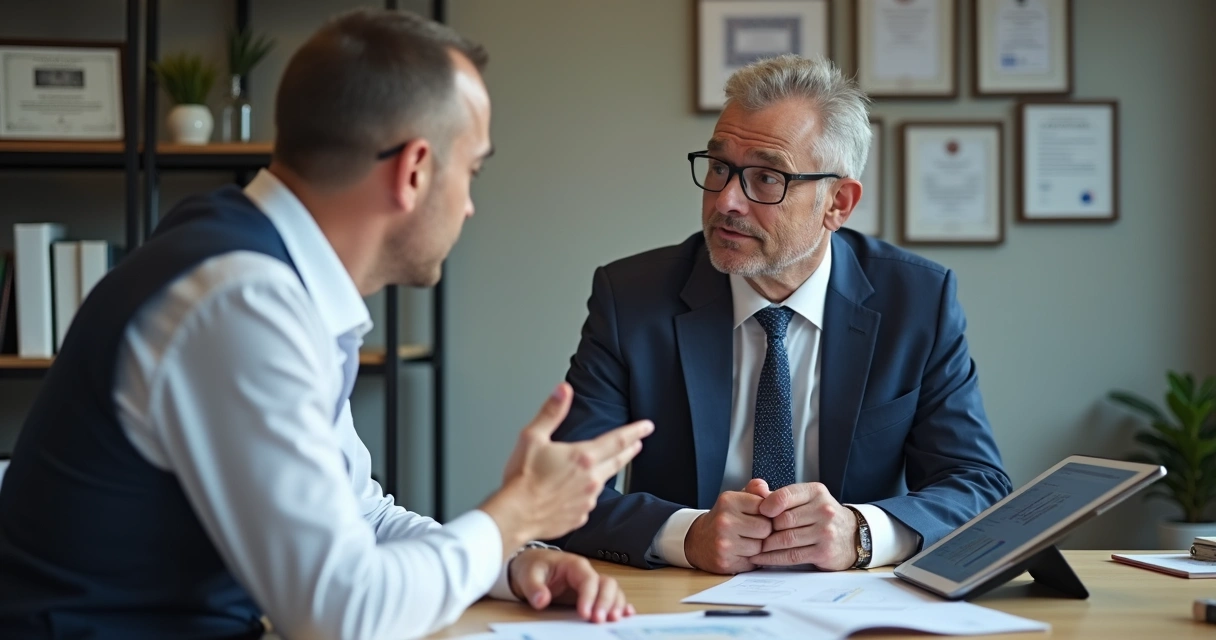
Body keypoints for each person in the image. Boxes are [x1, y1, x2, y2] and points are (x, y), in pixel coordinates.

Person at [0, 9, 652, 640]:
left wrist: (509, 563)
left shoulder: (259, 271)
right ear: (416, 170)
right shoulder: (241, 302)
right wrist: (515, 514)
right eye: (472, 170)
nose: (472, 206)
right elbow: (339, 615)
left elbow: (357, 514)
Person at [551, 55, 1012, 575]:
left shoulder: (916, 302)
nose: (726, 200)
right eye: (720, 167)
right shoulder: (633, 298)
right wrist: (686, 534)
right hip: (679, 601)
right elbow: (561, 490)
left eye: (767, 178)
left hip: (855, 606)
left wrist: (859, 533)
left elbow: (977, 486)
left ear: (837, 203)